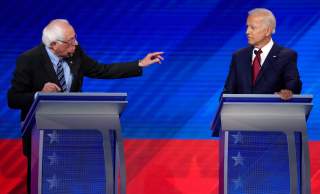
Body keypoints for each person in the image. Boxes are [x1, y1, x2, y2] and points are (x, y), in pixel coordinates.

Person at [7, 19, 164, 193]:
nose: (75, 44)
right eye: (70, 41)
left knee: (71, 180)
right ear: (53, 45)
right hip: (41, 134)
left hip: (73, 130)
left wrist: (139, 64)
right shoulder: (29, 60)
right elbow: (13, 99)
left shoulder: (76, 53)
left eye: (75, 38)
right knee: (43, 182)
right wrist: (38, 94)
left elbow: (101, 70)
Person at [223, 8, 302, 99]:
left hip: (272, 111)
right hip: (243, 112)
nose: (247, 32)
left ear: (267, 31)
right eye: (247, 27)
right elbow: (228, 92)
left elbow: (293, 86)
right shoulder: (239, 56)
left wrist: (289, 92)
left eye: (253, 27)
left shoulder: (286, 56)